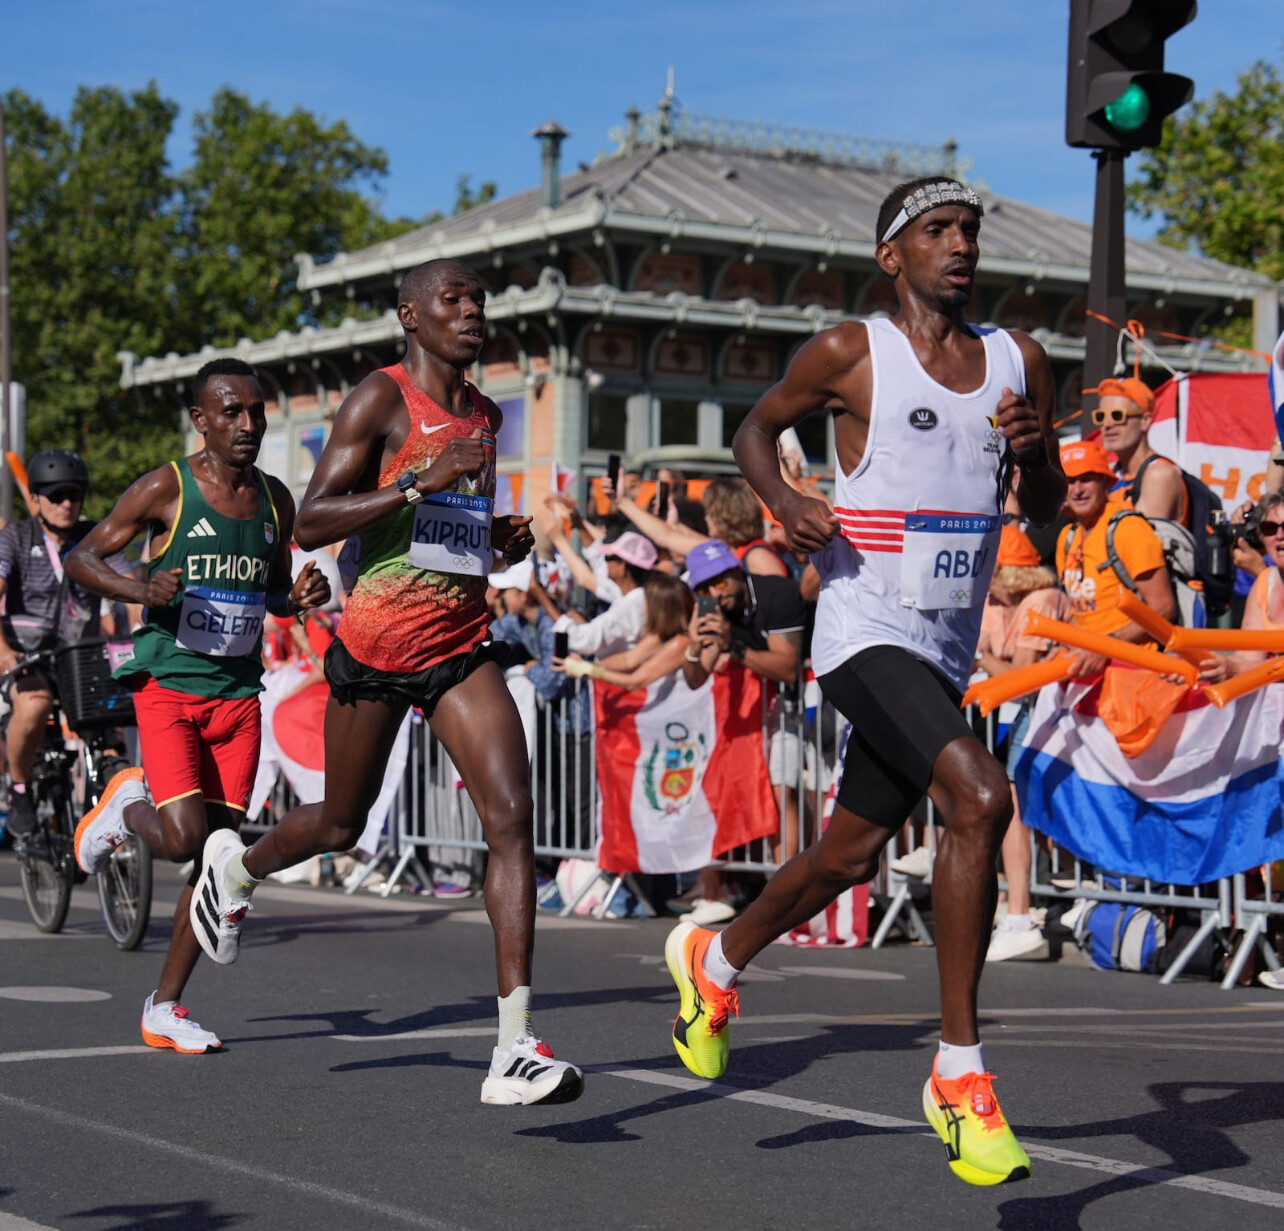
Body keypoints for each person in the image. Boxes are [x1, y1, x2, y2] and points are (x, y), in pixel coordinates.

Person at [665, 176, 1067, 1187]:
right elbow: (753, 430)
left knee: (847, 855)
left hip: (942, 645)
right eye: (938, 230)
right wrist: (783, 500)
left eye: (970, 229)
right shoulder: (853, 351)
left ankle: (715, 960)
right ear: (894, 255)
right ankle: (959, 1074)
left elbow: (1047, 512)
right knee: (980, 795)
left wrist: (1038, 457)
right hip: (861, 629)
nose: (960, 244)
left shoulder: (1020, 360)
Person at [179, 259, 583, 1106]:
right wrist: (413, 481)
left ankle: (514, 1046)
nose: (472, 313)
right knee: (340, 820)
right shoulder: (380, 398)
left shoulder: (485, 413)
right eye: (453, 300)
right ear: (411, 315)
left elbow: (447, 532)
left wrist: (494, 540)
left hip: (458, 645)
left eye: (479, 301)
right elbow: (311, 521)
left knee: (512, 815)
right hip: (376, 649)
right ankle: (239, 869)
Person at [65, 358, 330, 1053]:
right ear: (201, 420)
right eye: (231, 411)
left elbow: (272, 592)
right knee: (183, 838)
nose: (248, 424)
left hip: (238, 697)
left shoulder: (275, 498)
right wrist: (140, 589)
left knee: (216, 859)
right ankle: (126, 803)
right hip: (170, 687)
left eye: (256, 411)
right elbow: (82, 557)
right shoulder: (167, 487)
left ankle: (166, 1006)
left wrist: (296, 599)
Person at [0, 449, 133, 837]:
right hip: (29, 656)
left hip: (82, 659)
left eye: (74, 494)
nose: (66, 504)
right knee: (35, 703)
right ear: (35, 499)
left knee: (111, 724)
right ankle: (19, 788)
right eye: (56, 495)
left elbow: (131, 591)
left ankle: (118, 813)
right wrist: (4, 652)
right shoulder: (16, 537)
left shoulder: (97, 536)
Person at [975, 523, 1072, 962]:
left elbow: (1020, 677)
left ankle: (1020, 914)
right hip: (1031, 714)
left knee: (1021, 804)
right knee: (1012, 802)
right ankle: (1015, 907)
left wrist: (985, 660)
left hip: (1055, 712)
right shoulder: (999, 602)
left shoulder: (1042, 599)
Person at [1056, 438, 1176, 670]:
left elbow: (1163, 608)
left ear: (1105, 482)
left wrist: (1107, 646)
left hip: (1134, 667)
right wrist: (1067, 646)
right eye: (1069, 481)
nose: (1078, 490)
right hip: (1091, 667)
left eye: (1087, 479)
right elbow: (1078, 611)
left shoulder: (1128, 529)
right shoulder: (1067, 537)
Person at [1093, 377, 1185, 522]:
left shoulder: (1159, 475)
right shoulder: (1112, 474)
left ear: (1145, 421)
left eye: (1117, 415)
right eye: (1101, 416)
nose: (1107, 424)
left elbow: (1141, 535)